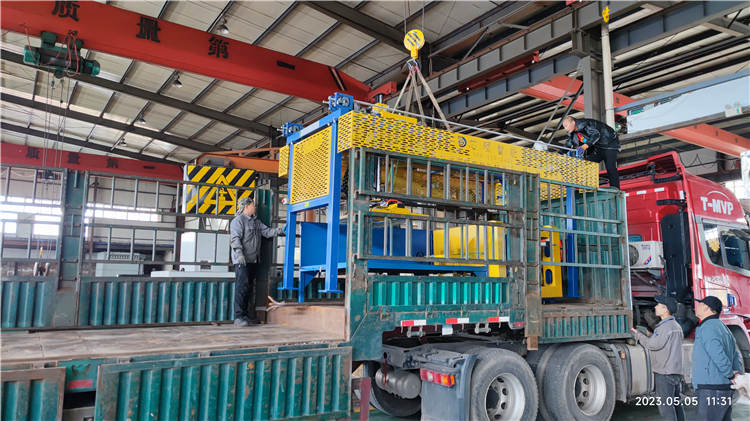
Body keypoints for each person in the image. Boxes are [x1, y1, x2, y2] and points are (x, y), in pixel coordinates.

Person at [229, 196, 284, 327]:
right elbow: (235, 239)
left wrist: (281, 230)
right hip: (242, 261)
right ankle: (238, 317)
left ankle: (247, 316)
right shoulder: (238, 221)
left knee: (249, 288)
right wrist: (239, 254)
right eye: (253, 205)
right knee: (242, 288)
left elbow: (267, 232)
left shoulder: (255, 222)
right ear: (246, 207)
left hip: (253, 260)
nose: (255, 207)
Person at [631, 295, 685, 421]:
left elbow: (653, 345)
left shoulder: (665, 327)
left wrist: (639, 336)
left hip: (664, 374)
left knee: (666, 409)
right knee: (676, 405)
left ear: (665, 309)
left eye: (658, 305)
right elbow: (663, 342)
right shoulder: (675, 326)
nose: (655, 307)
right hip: (674, 373)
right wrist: (651, 334)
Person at [692, 295, 743, 421]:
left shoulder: (708, 327)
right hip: (723, 387)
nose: (697, 307)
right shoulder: (723, 327)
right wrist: (735, 375)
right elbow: (736, 355)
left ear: (707, 308)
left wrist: (730, 374)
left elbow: (717, 354)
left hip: (711, 388)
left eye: (700, 304)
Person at [562, 116, 621, 189]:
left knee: (610, 167)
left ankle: (615, 189)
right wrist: (560, 153)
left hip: (610, 145)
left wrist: (585, 146)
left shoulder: (585, 124)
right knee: (587, 163)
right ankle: (590, 186)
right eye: (564, 127)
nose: (566, 129)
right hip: (598, 148)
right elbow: (568, 143)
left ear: (573, 123)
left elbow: (596, 135)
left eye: (566, 126)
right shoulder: (573, 133)